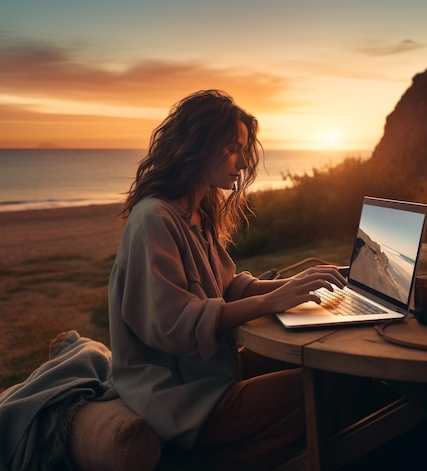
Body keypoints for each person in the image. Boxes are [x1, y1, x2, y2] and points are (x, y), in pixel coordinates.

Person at [108, 89, 346, 470]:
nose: (241, 161)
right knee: (324, 384)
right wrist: (272, 301)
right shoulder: (155, 218)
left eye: (244, 149)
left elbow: (229, 287)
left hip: (209, 374)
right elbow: (175, 324)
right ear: (197, 144)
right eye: (232, 148)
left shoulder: (196, 211)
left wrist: (298, 284)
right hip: (179, 395)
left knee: (330, 364)